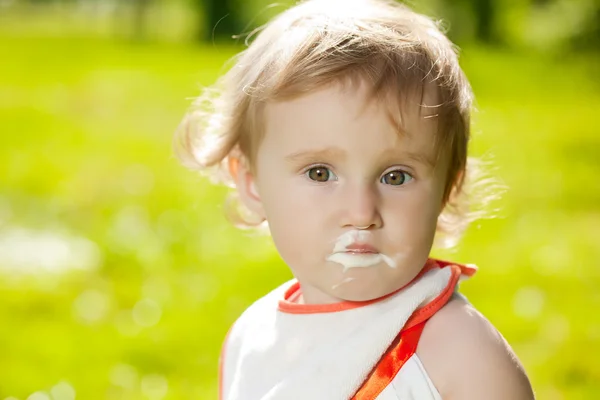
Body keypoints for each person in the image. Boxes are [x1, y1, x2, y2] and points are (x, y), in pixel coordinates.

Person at [176, 0, 535, 398]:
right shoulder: (253, 337)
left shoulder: (461, 358)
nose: (361, 213)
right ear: (252, 183)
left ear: (447, 188)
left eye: (395, 176)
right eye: (320, 173)